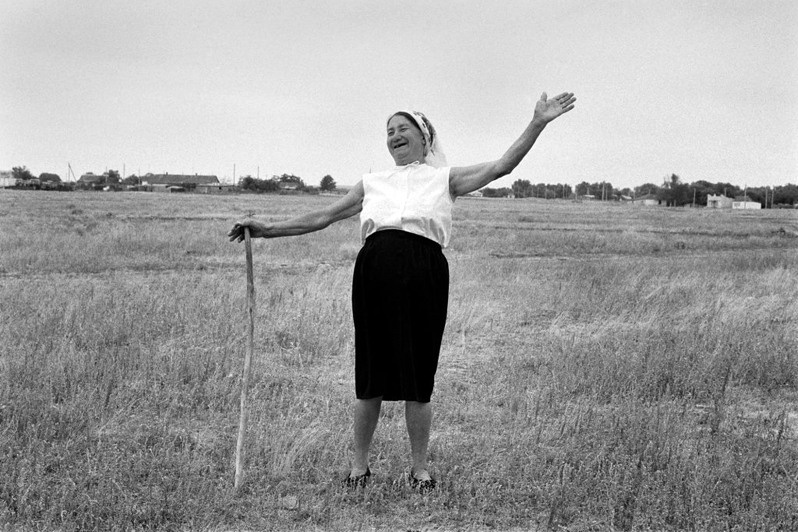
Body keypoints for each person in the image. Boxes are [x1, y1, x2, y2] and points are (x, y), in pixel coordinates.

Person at [228, 91, 576, 492]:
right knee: (370, 372)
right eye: (389, 131)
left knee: (419, 374)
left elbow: (502, 166)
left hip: (425, 273)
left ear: (424, 137)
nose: (394, 135)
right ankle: (359, 468)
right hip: (374, 273)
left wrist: (537, 123)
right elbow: (323, 216)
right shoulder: (372, 183)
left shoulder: (445, 179)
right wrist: (268, 229)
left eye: (402, 128)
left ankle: (419, 469)